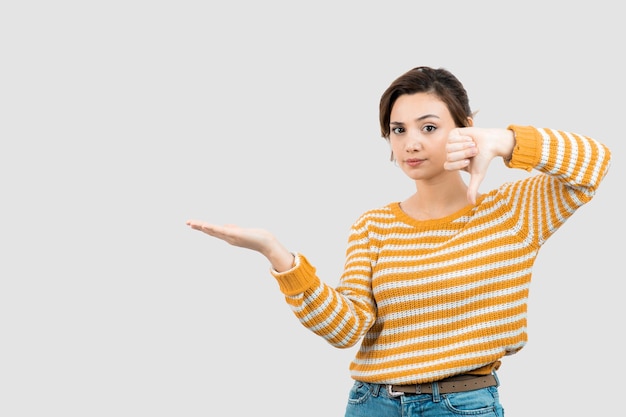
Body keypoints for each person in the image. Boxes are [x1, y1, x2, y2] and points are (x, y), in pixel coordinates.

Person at [186, 66, 611, 416]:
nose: (411, 143)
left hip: (460, 403)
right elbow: (346, 328)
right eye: (398, 129)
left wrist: (504, 142)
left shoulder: (513, 212)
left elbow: (594, 162)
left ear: (465, 129)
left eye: (429, 126)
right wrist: (277, 254)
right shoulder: (374, 225)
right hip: (371, 403)